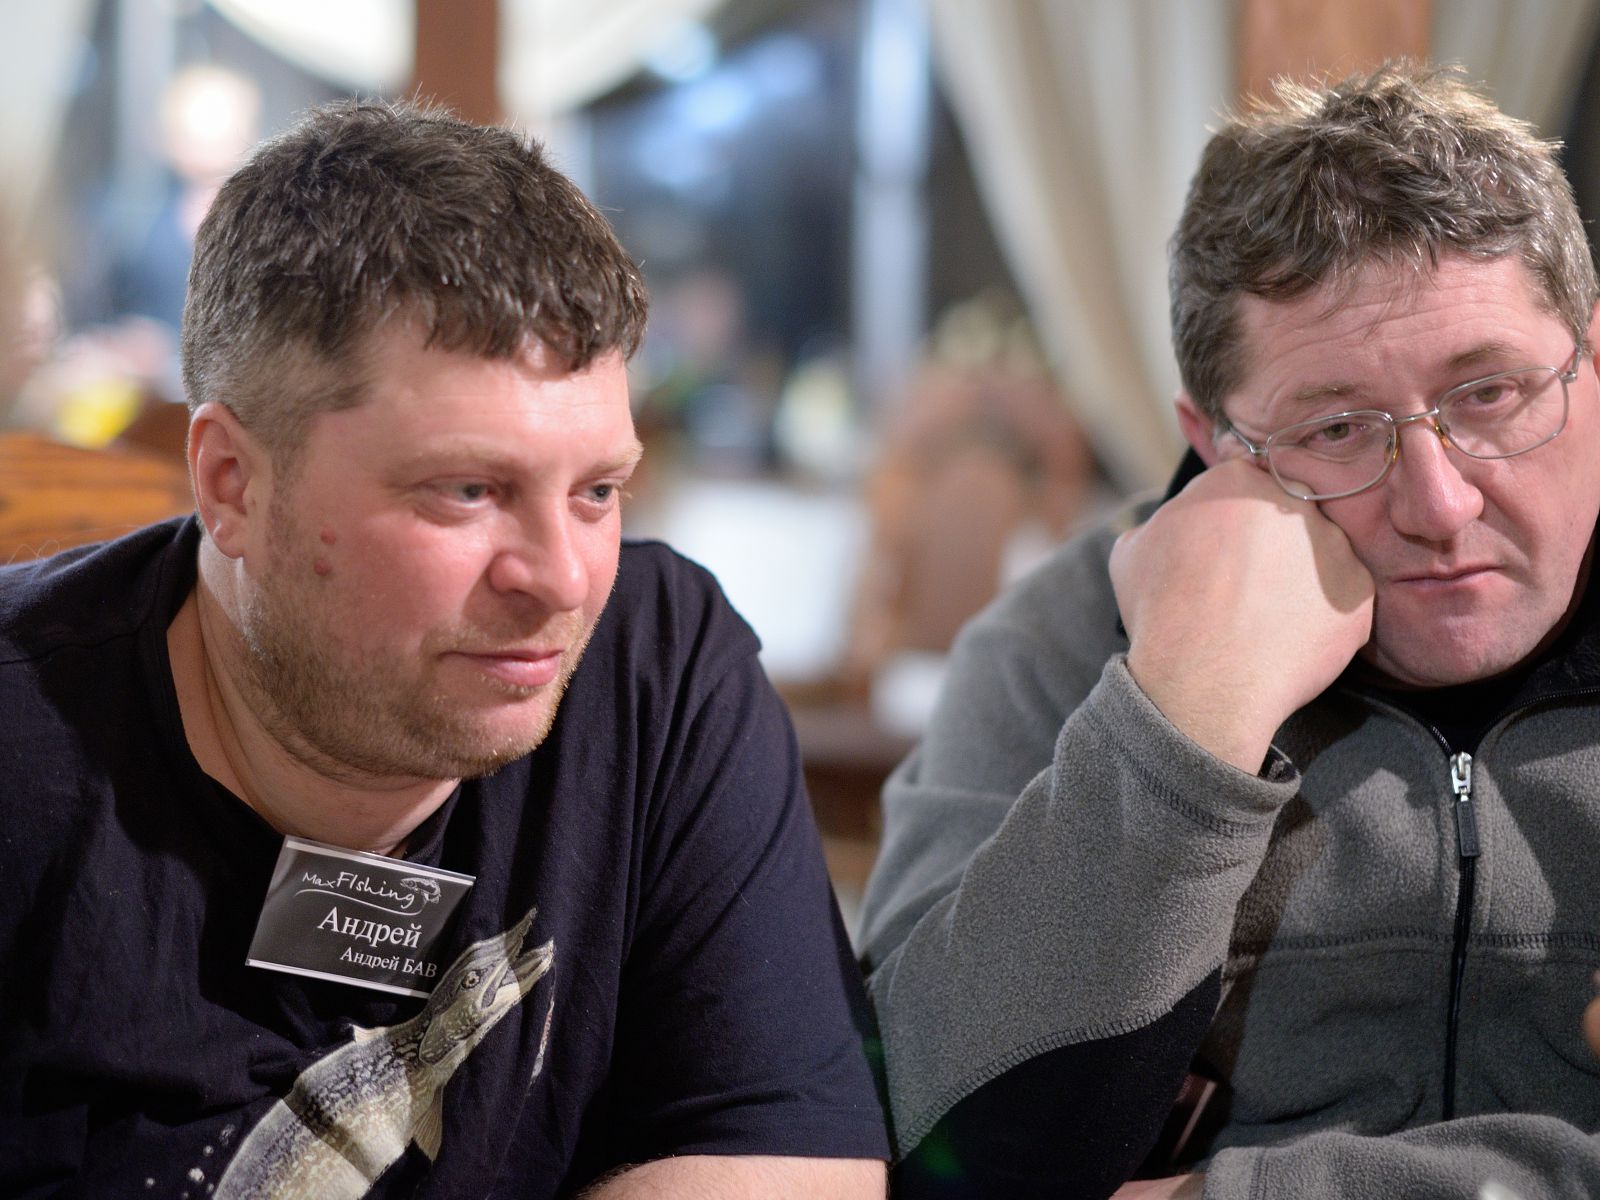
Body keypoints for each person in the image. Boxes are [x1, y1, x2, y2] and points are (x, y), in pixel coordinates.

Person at [0, 99, 888, 1199]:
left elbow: (781, 1161)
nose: (562, 579)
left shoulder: (655, 666)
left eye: (597, 491)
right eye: (468, 490)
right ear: (231, 484)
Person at [858, 62, 1600, 1200]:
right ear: (1213, 447)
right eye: (1336, 428)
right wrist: (1185, 718)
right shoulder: (1059, 645)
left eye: (1491, 394)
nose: (1439, 504)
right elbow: (927, 1155)